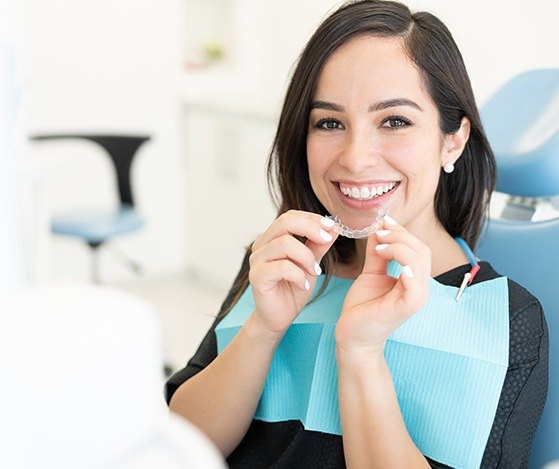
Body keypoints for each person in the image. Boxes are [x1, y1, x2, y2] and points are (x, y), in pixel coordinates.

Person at [166, 1, 548, 467]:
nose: (355, 157)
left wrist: (361, 352)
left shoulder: (506, 318)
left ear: (454, 139)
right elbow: (175, 446)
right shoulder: (279, 264)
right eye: (329, 123)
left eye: (394, 121)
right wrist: (262, 329)